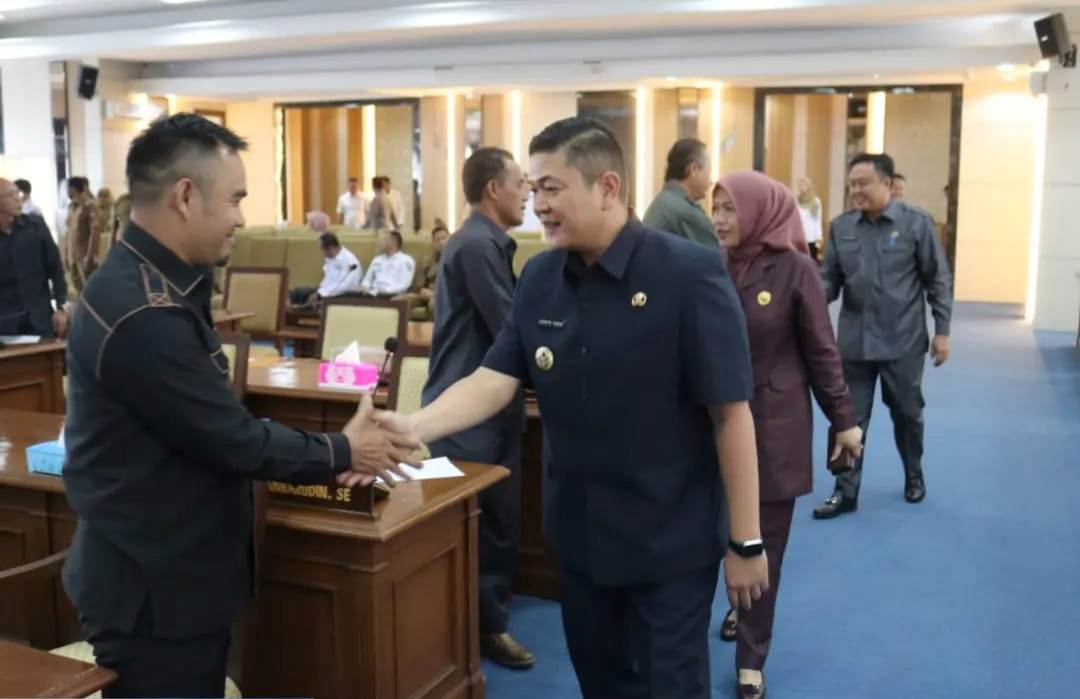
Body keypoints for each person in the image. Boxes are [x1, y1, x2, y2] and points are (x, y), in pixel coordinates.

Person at [378, 117, 768, 698]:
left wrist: (747, 542)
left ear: (607, 187)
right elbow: (493, 379)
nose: (537, 205)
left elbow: (730, 416)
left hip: (667, 549)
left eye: (551, 188)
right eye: (532, 189)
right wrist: (411, 425)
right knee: (601, 687)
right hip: (581, 546)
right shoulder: (539, 278)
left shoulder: (688, 274)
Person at [62, 113, 421, 699]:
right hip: (156, 591)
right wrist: (345, 448)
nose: (240, 217)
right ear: (185, 196)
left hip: (156, 571)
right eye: (235, 199)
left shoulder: (142, 281)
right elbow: (232, 438)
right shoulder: (146, 312)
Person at [711, 171, 863, 699]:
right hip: (707, 428)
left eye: (731, 209)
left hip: (773, 427)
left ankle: (751, 658)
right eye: (716, 208)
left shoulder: (796, 269)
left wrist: (843, 419)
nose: (720, 220)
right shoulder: (710, 265)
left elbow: (822, 351)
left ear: (760, 210)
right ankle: (734, 604)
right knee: (708, 534)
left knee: (763, 544)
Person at [422, 147, 533, 669]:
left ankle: (485, 621)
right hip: (468, 415)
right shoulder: (475, 247)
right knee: (483, 526)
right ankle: (482, 629)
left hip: (488, 411)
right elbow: (512, 330)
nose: (528, 190)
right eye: (520, 182)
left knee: (500, 522)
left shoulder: (485, 242)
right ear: (493, 189)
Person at [814, 153, 952, 519]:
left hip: (902, 343)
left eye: (863, 183)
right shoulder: (841, 227)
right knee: (847, 419)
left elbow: (937, 279)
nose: (855, 190)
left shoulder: (916, 224)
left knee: (908, 414)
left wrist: (943, 331)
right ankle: (844, 491)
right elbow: (829, 279)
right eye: (852, 184)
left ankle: (913, 475)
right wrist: (809, 298)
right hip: (854, 344)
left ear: (888, 185)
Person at [0, 178, 68, 337]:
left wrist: (61, 308)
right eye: (11, 195)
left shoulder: (35, 227)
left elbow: (56, 269)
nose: (19, 198)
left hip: (40, 321)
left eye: (18, 193)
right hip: (5, 325)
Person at [642, 138, 719, 249]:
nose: (711, 181)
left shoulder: (662, 201)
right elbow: (715, 262)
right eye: (709, 172)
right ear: (693, 169)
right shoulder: (685, 213)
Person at [289, 232, 364, 307]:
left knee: (303, 298)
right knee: (293, 293)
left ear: (330, 248)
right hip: (324, 291)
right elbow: (328, 279)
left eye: (322, 249)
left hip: (338, 296)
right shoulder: (331, 257)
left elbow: (346, 286)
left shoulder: (350, 261)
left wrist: (320, 294)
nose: (322, 253)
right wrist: (319, 289)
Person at [65, 176, 103, 294]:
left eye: (68, 188)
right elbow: (69, 232)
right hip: (73, 256)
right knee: (78, 290)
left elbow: (95, 232)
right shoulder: (71, 206)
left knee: (91, 290)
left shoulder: (90, 206)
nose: (67, 192)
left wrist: (90, 255)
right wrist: (66, 253)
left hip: (85, 255)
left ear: (73, 189)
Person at [359, 230, 414, 297]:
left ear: (391, 243)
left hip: (392, 295)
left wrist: (385, 291)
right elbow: (367, 279)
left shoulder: (406, 260)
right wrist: (365, 287)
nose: (380, 242)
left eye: (383, 240)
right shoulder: (377, 259)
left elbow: (404, 284)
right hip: (372, 294)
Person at [415, 220, 450, 321]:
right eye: (437, 240)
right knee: (400, 301)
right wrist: (422, 290)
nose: (441, 242)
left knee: (433, 304)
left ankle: (432, 336)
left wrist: (435, 294)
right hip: (425, 293)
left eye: (444, 238)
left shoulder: (456, 259)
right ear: (433, 242)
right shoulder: (427, 260)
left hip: (443, 295)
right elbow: (419, 284)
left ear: (449, 239)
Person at [796, 176, 824, 261]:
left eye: (804, 184)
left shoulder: (816, 201)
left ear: (809, 186)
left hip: (812, 238)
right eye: (800, 184)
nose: (802, 187)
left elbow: (818, 220)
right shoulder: (796, 199)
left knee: (812, 260)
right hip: (800, 237)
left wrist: (819, 238)